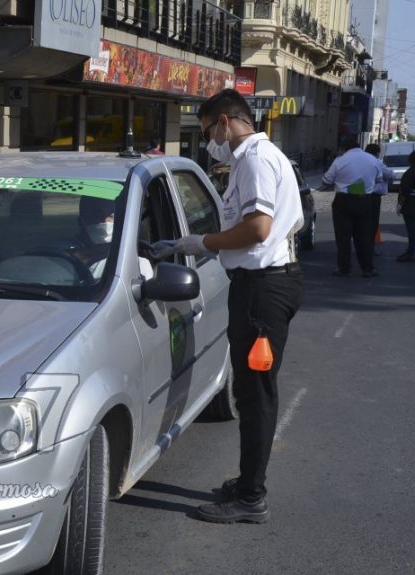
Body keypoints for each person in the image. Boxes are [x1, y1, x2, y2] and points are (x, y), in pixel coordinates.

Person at [155, 89, 303, 524]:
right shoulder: (252, 159)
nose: (208, 142)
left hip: (264, 289)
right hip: (264, 283)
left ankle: (251, 498)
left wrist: (199, 242)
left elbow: (257, 229)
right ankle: (247, 482)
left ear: (224, 121)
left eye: (206, 132)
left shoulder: (256, 160)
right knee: (251, 391)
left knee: (255, 395)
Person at [321, 139, 380, 277]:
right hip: (365, 200)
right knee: (364, 236)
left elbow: (326, 180)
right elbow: (379, 178)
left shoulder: (340, 160)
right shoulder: (372, 159)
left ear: (342, 148)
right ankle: (368, 268)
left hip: (344, 201)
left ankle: (344, 268)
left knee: (343, 237)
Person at [364, 143, 394, 256]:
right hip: (373, 196)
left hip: (358, 194)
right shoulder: (377, 162)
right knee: (372, 223)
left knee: (361, 222)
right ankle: (369, 248)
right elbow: (390, 175)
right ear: (377, 153)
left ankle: (362, 246)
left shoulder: (361, 161)